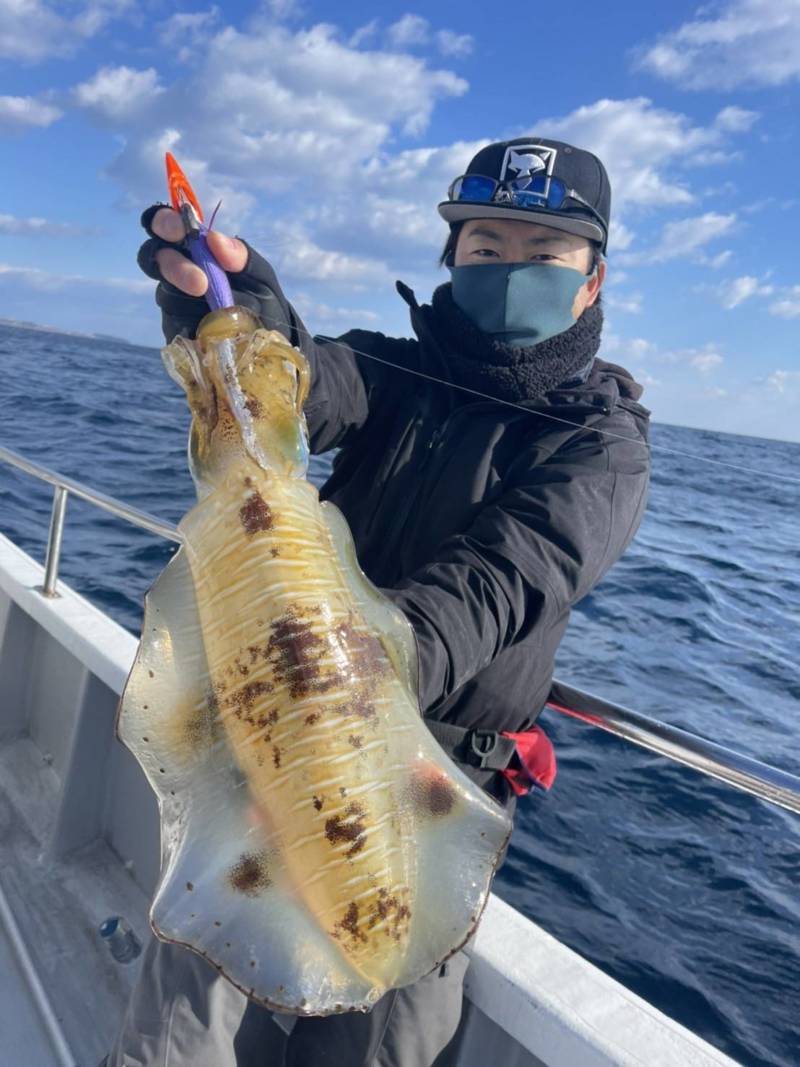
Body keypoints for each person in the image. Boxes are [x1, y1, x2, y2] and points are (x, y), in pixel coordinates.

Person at [108, 137, 650, 1067]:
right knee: (184, 1007)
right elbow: (298, 388)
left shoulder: (602, 443)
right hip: (271, 734)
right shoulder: (392, 370)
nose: (510, 269)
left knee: (383, 1038)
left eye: (543, 252)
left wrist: (363, 665)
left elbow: (507, 575)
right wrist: (234, 318)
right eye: (485, 247)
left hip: (427, 777)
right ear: (451, 259)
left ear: (591, 281)